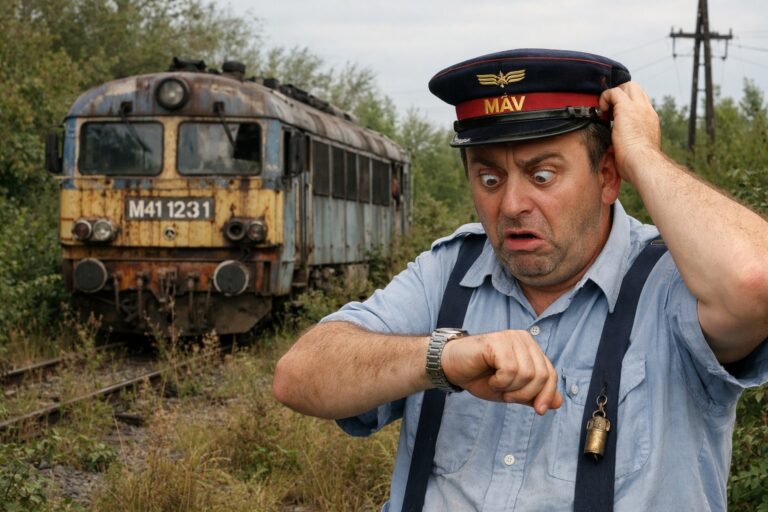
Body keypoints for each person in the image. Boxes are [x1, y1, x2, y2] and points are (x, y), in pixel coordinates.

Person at [273, 49, 768, 511]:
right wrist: (443, 357)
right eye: (489, 179)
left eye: (542, 176)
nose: (511, 205)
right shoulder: (451, 272)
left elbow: (756, 279)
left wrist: (643, 154)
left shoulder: (674, 283)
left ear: (608, 176)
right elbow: (298, 376)